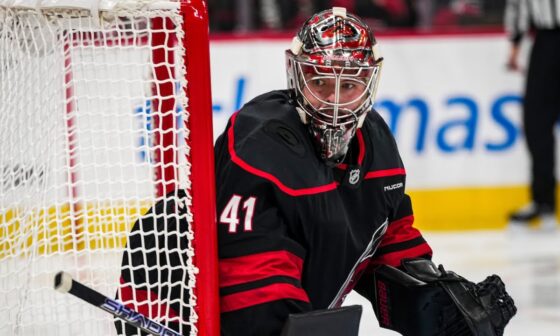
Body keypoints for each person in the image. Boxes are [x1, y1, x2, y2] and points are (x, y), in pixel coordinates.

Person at [115, 7, 516, 336]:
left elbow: (386, 237)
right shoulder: (261, 143)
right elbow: (258, 292)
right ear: (297, 75)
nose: (335, 101)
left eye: (351, 84)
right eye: (321, 81)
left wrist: (437, 307)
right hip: (179, 309)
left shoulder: (376, 143)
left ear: (371, 81)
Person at [505, 0, 560, 230]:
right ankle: (543, 202)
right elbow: (519, 6)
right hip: (545, 42)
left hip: (547, 43)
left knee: (537, 123)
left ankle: (544, 202)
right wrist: (516, 44)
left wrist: (516, 44)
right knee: (537, 124)